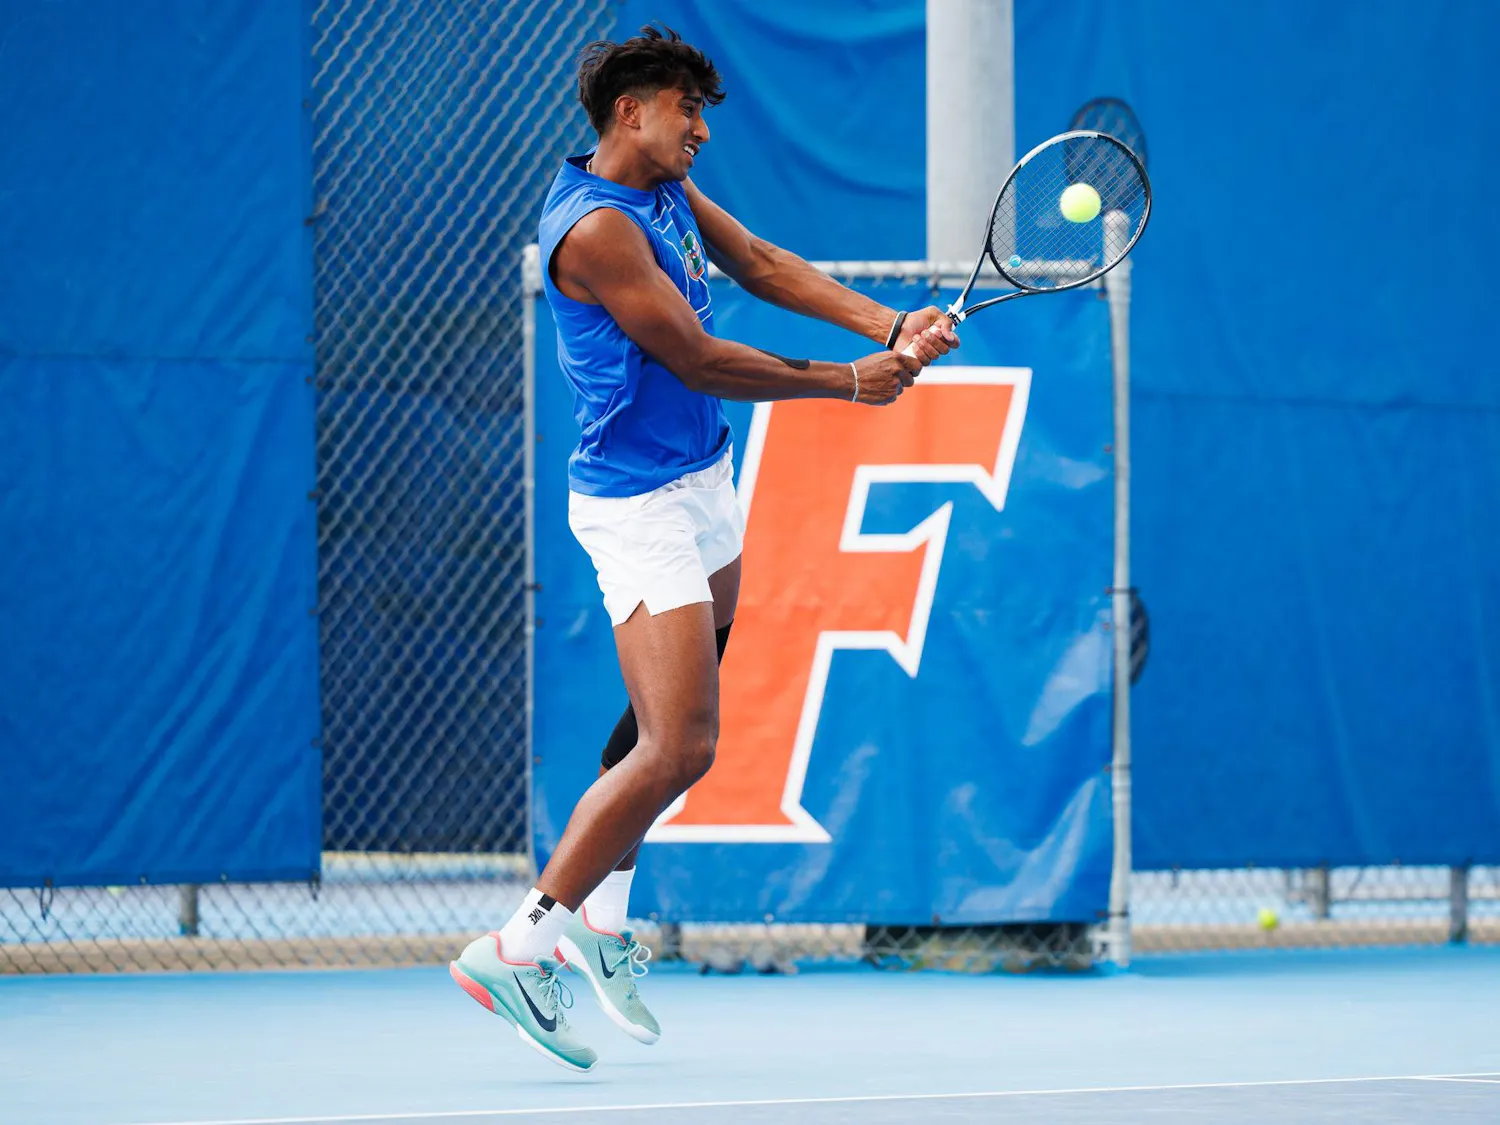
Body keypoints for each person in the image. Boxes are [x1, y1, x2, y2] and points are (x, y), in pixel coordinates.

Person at [449, 25, 959, 1072]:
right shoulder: (596, 229)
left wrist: (887, 324)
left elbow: (761, 264)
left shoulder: (667, 191)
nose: (702, 129)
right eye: (688, 109)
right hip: (636, 504)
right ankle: (517, 946)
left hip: (702, 483)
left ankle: (602, 920)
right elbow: (696, 357)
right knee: (682, 746)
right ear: (630, 111)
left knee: (663, 717)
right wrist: (846, 382)